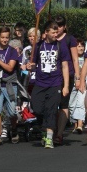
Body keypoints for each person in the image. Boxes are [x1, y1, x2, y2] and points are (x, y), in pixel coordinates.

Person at [25, 20, 70, 149]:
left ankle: (49, 137)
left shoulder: (61, 46)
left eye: (57, 32)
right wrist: (30, 66)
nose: (56, 34)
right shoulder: (38, 46)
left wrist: (66, 85)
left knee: (51, 109)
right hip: (40, 83)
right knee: (37, 108)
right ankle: (44, 129)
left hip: (55, 83)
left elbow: (65, 66)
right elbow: (32, 64)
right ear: (46, 32)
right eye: (53, 32)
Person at [0, 26, 21, 145]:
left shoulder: (12, 51)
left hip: (9, 84)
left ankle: (13, 129)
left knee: (12, 112)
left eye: (7, 37)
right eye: (2, 37)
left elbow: (10, 67)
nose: (5, 40)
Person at [54, 15, 80, 146]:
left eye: (60, 26)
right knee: (52, 104)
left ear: (64, 27)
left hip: (67, 75)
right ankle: (51, 130)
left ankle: (59, 133)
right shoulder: (50, 38)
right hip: (52, 75)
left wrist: (77, 77)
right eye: (56, 26)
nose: (57, 29)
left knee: (63, 104)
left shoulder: (70, 39)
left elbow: (75, 59)